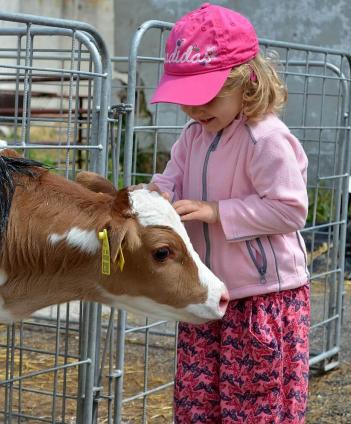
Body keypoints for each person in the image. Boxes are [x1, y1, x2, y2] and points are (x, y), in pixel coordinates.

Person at [144, 4, 311, 423]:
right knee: (199, 404)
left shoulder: (265, 139)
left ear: (247, 83)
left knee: (255, 405)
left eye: (207, 97)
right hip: (205, 293)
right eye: (185, 99)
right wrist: (153, 196)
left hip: (262, 298)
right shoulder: (192, 135)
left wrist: (217, 211)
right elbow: (172, 178)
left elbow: (290, 210)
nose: (195, 110)